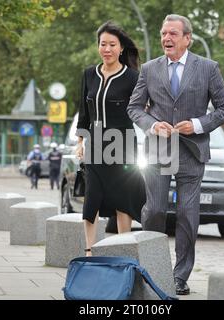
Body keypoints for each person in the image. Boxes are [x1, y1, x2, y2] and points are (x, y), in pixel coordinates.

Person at [127, 14, 224, 295]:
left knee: (188, 214)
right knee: (154, 210)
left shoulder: (208, 68)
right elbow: (134, 108)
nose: (166, 38)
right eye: (164, 33)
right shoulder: (149, 69)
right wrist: (152, 124)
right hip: (159, 150)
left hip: (192, 150)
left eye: (173, 33)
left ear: (187, 38)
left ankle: (180, 276)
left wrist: (197, 124)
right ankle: (150, 267)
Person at [76, 21, 146, 256]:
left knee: (122, 200)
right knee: (92, 199)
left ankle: (123, 250)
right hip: (95, 145)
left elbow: (140, 110)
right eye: (103, 44)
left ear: (121, 48)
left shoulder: (133, 77)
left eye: (112, 45)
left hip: (123, 144)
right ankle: (89, 251)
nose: (107, 49)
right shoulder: (88, 74)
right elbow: (83, 113)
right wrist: (80, 143)